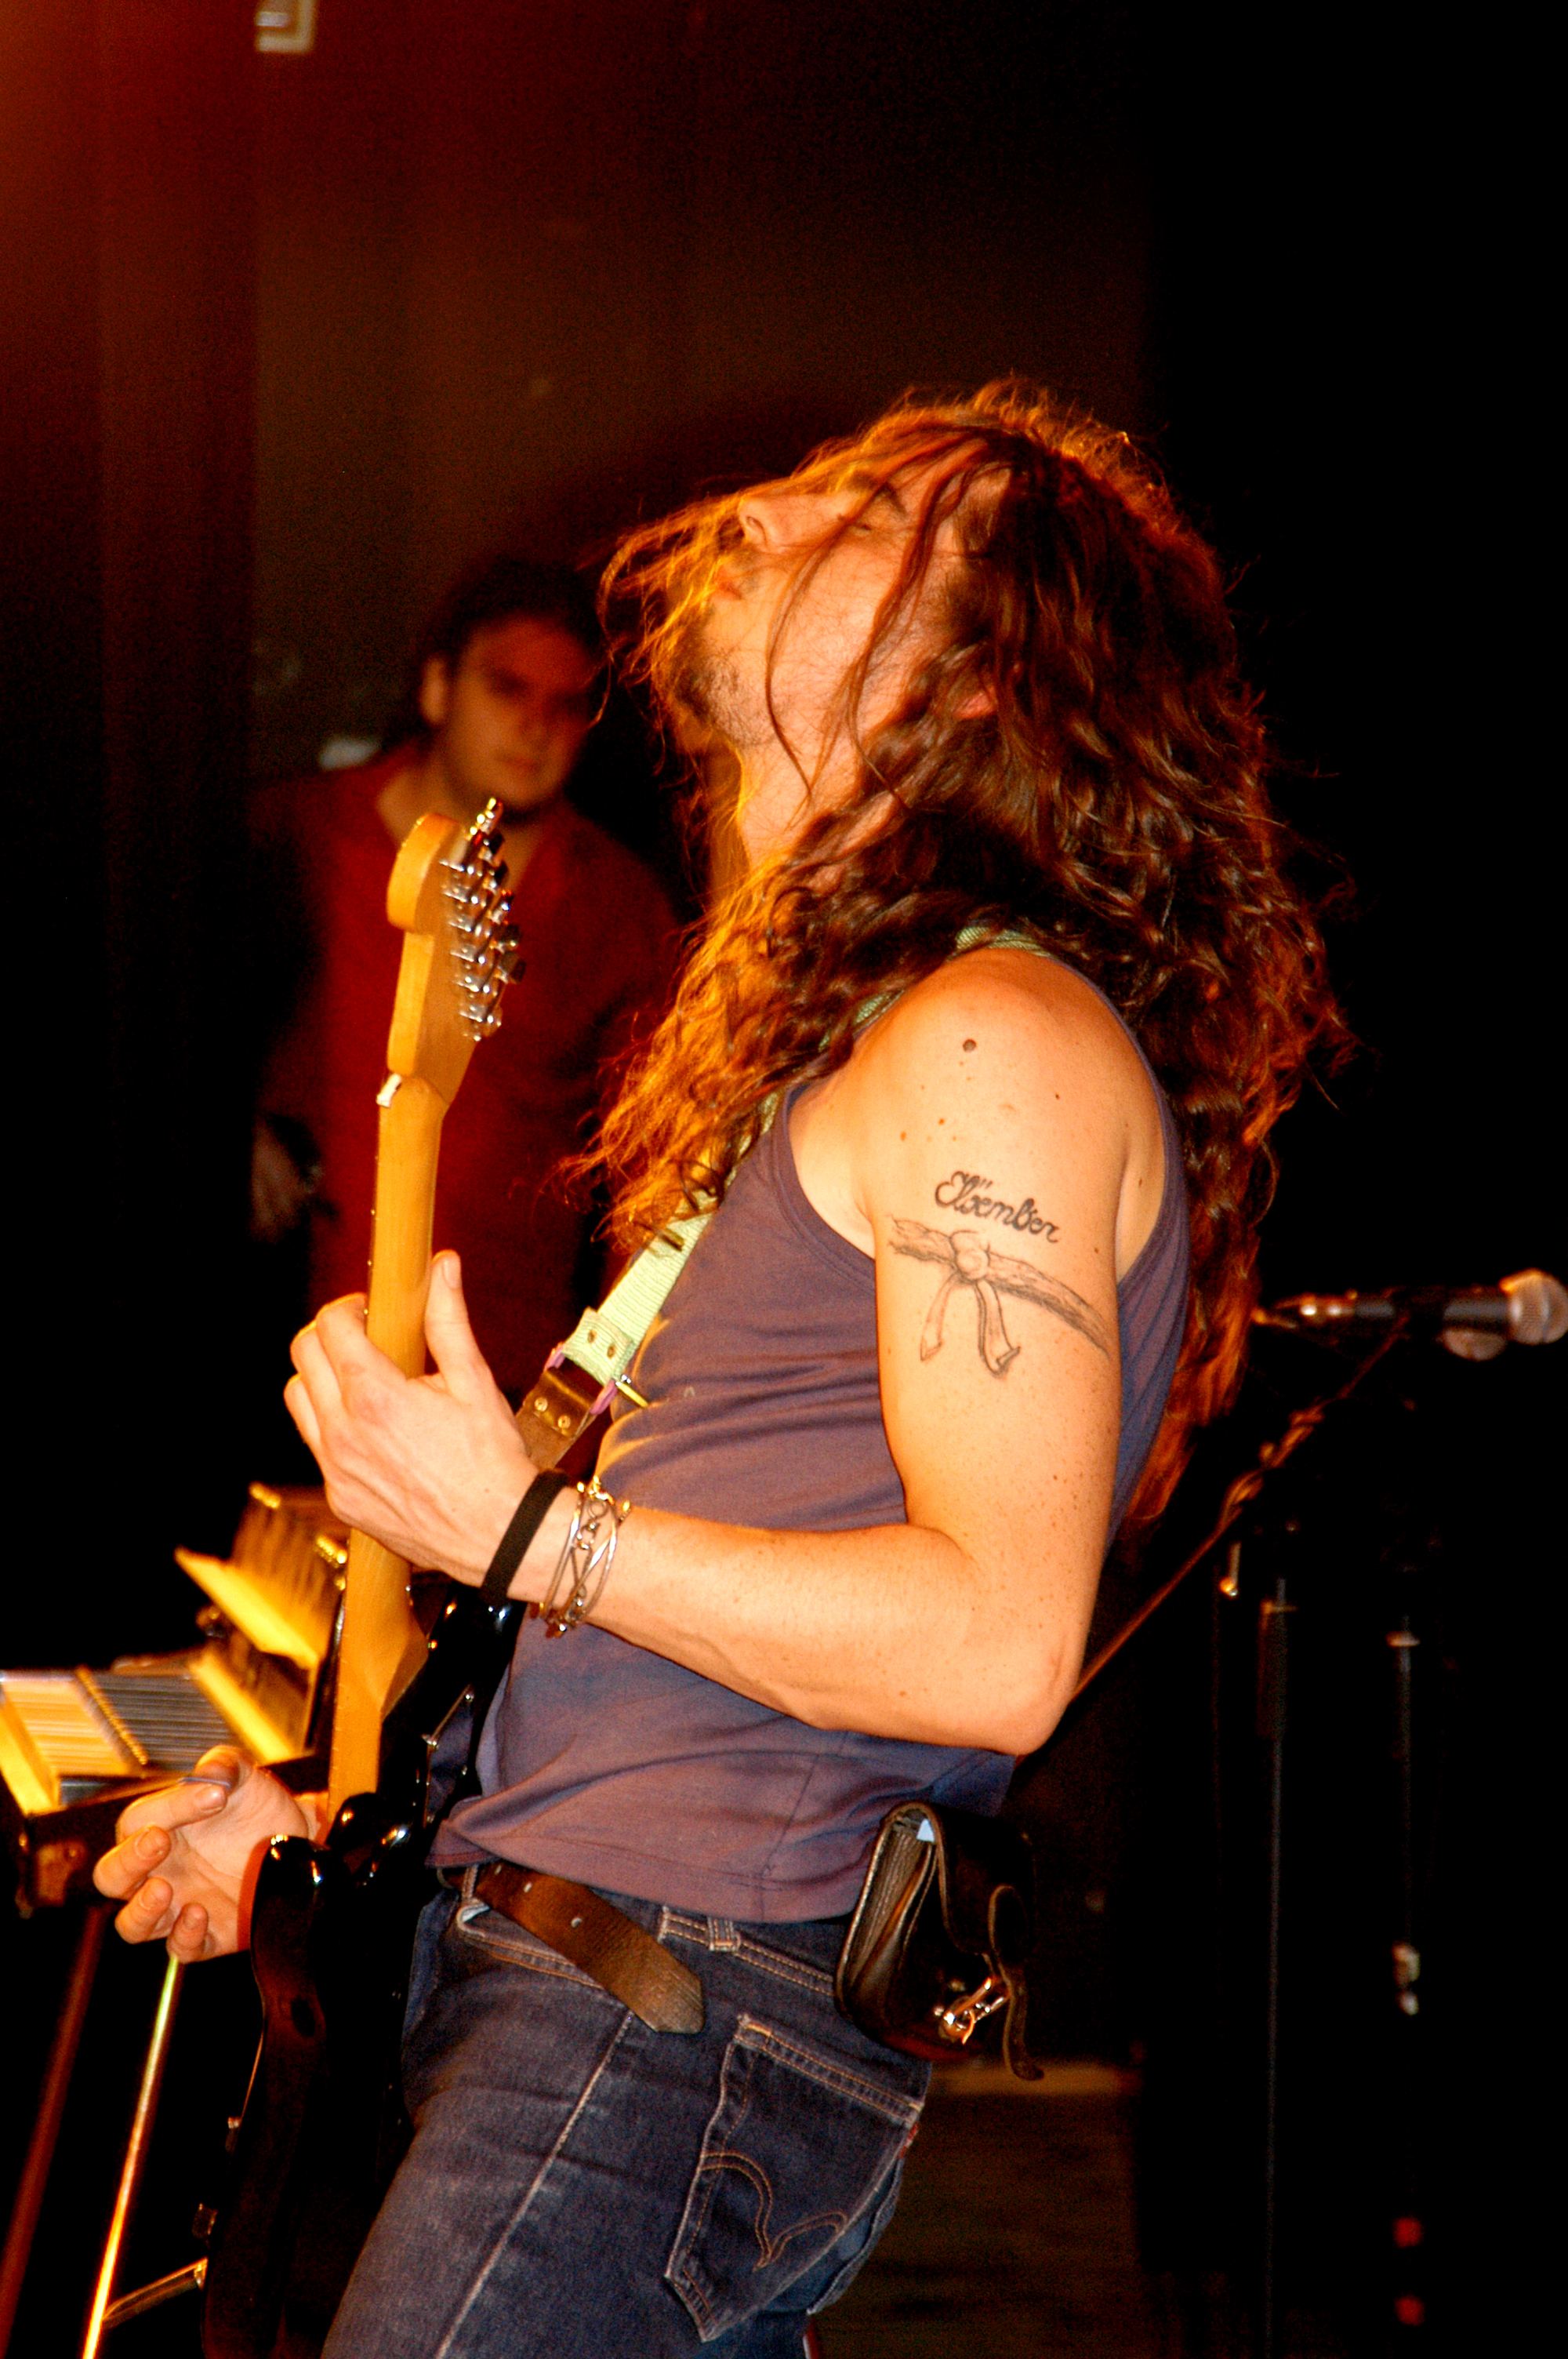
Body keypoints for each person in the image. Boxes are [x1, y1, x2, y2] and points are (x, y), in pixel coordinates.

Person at [96, 384, 1337, 2355]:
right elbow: (622, 1649)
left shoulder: (992, 1040)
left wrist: (520, 1526)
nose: (774, 508)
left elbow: (995, 1643)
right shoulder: (864, 1044)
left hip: (665, 2024)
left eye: (866, 512)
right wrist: (333, 1840)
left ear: (976, 676)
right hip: (594, 1989)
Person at [252, 556, 679, 1399]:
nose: (535, 726)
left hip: (496, 1380)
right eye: (507, 689)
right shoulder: (299, 834)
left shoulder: (620, 908)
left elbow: (655, 1183)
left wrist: (589, 1398)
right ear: (438, 687)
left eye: (566, 705)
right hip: (286, 1360)